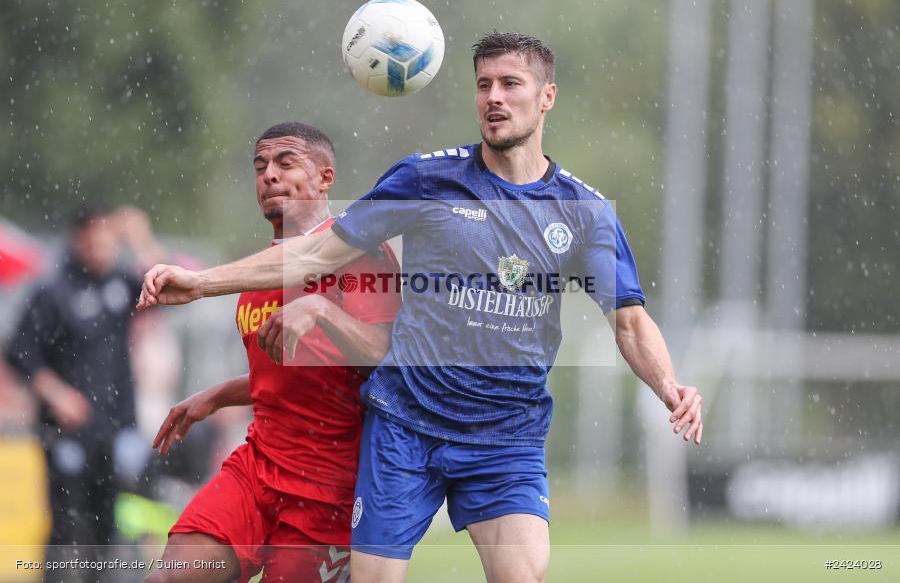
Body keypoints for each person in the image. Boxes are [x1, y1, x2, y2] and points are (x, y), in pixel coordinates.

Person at [137, 33, 703, 583]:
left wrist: (669, 385)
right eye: (484, 85)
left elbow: (628, 321)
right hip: (405, 425)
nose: (494, 98)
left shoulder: (585, 211)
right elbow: (313, 253)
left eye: (511, 83)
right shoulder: (426, 178)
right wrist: (203, 283)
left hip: (505, 433)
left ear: (547, 96)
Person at [145, 122, 401, 583]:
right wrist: (218, 395)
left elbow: (386, 353)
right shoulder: (257, 273)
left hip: (330, 486)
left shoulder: (361, 251)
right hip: (258, 465)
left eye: (286, 163)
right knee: (174, 573)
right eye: (260, 166)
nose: (269, 175)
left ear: (326, 177)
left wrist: (321, 309)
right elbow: (296, 372)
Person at [5, 204, 166, 583]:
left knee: (109, 523)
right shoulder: (53, 292)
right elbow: (19, 352)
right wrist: (56, 393)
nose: (102, 247)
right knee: (64, 523)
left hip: (114, 427)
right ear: (78, 239)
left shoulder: (122, 285)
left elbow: (166, 287)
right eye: (94, 238)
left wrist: (140, 236)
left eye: (110, 239)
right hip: (65, 431)